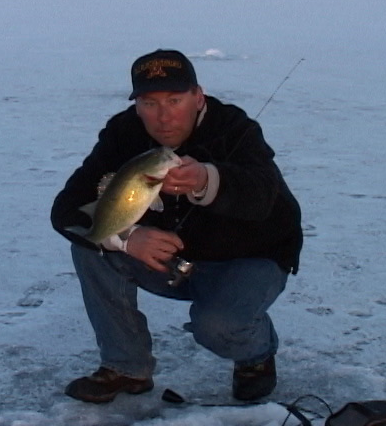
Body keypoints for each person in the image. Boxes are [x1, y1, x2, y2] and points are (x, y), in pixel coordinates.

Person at [51, 49, 302, 404]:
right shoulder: (123, 134)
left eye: (175, 99)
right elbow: (66, 208)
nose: (164, 116)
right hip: (172, 258)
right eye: (150, 103)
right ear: (137, 105)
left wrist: (206, 180)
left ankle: (255, 356)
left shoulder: (235, 128)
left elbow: (263, 196)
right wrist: (126, 238)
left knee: (218, 326)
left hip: (252, 257)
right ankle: (127, 367)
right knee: (90, 247)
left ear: (198, 96)